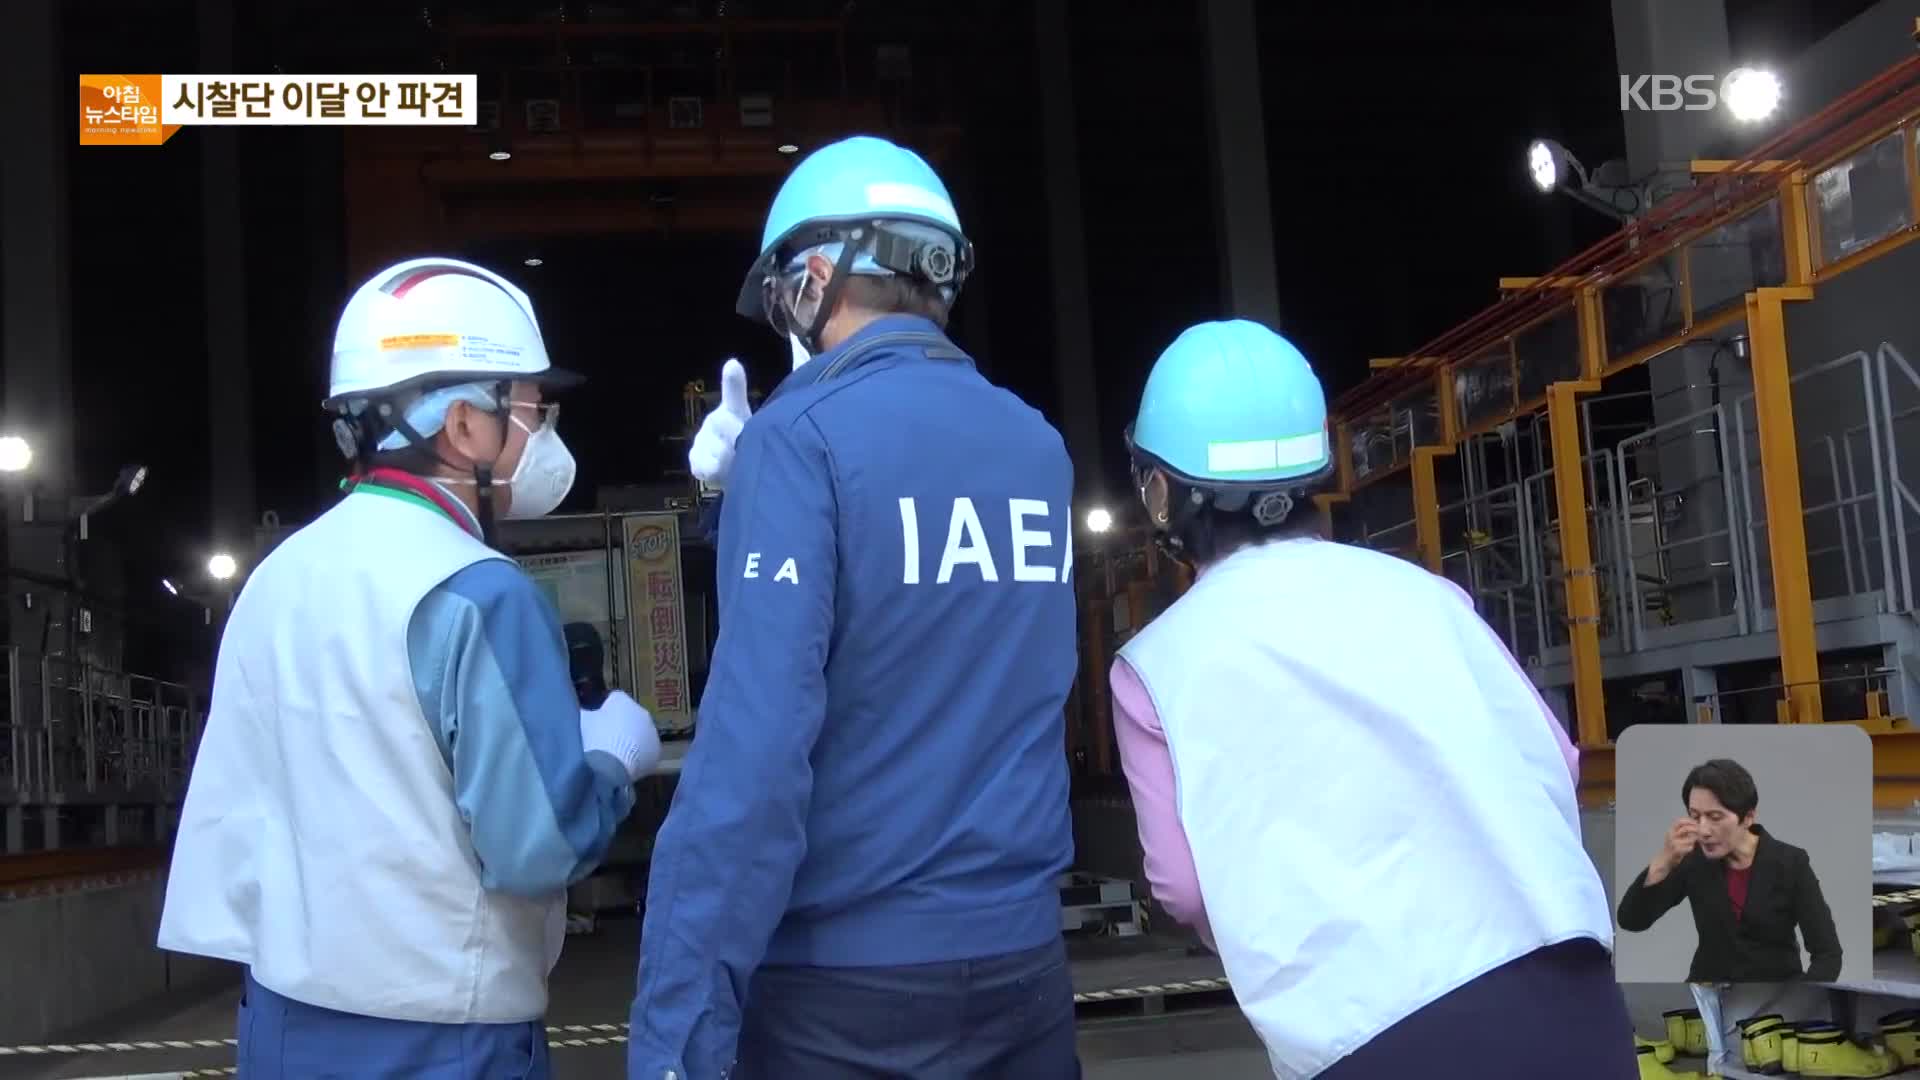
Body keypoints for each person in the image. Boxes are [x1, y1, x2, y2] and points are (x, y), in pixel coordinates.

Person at [628, 135, 1082, 1079]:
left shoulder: (798, 438)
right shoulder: (1037, 448)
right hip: (1023, 974)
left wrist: (677, 1035)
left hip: (846, 992)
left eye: (784, 292)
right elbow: (933, 638)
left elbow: (751, 765)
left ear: (816, 275)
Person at [158, 256, 661, 1078]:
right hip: (441, 1033)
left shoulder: (279, 574)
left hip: (282, 1022)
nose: (544, 429)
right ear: (463, 425)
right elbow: (537, 846)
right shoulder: (478, 591)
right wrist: (611, 756)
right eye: (533, 406)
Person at [1108, 319, 1636, 1078]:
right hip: (1571, 998)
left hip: (1369, 1033)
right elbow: (1554, 760)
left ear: (1163, 492)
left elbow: (1184, 889)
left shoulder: (1155, 667)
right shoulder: (1428, 597)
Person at [1618, 757, 1841, 982]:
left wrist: (1798, 1000)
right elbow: (1632, 920)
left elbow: (1828, 954)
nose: (1703, 830)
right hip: (1708, 996)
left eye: (1715, 817)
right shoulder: (1693, 860)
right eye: (1695, 816)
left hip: (1776, 998)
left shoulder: (1790, 863)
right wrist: (1663, 862)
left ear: (1748, 817)